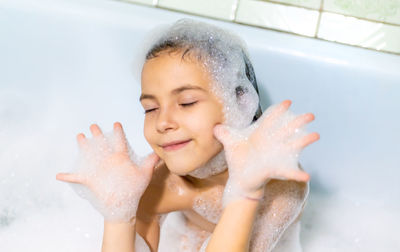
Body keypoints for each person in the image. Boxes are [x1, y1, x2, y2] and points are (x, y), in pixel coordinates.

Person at [56, 18, 319, 252]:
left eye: (187, 102)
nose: (163, 122)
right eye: (151, 108)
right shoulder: (159, 183)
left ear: (239, 104)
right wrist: (118, 216)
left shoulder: (280, 186)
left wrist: (245, 192)